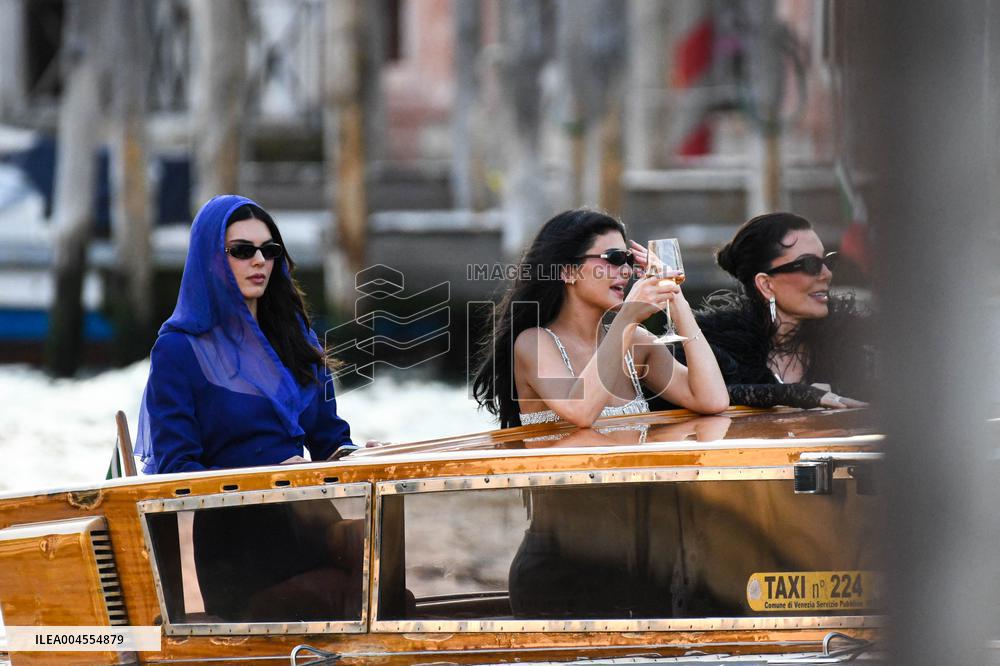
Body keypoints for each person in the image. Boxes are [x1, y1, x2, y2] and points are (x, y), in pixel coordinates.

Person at [134, 194, 353, 474]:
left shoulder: (297, 339)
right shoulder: (177, 350)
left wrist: (362, 456)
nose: (260, 260)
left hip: (301, 505)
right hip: (224, 513)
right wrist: (266, 473)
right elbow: (176, 469)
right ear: (211, 259)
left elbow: (331, 442)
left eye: (269, 250)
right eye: (242, 251)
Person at [472, 208, 728, 429]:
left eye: (628, 260)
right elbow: (580, 411)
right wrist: (627, 317)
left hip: (630, 484)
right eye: (614, 259)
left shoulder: (636, 345)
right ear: (568, 271)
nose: (626, 271)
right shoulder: (534, 344)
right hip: (563, 485)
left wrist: (674, 294)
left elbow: (712, 399)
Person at [680, 211, 872, 410]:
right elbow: (700, 394)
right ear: (766, 284)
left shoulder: (854, 343)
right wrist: (796, 394)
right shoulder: (713, 347)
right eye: (810, 264)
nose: (826, 274)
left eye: (827, 261)